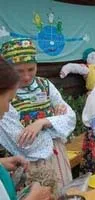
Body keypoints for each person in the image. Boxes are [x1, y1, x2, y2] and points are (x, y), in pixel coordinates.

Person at [0, 38, 76, 196]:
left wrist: (42, 123)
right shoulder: (4, 94)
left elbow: (70, 118)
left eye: (31, 69)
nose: (27, 77)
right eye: (19, 71)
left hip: (57, 156)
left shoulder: (45, 85)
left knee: (62, 192)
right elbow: (23, 141)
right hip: (28, 162)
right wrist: (55, 122)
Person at [0, 62, 52, 200]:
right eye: (9, 100)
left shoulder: (45, 85)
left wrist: (1, 163)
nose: (7, 109)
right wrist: (33, 198)